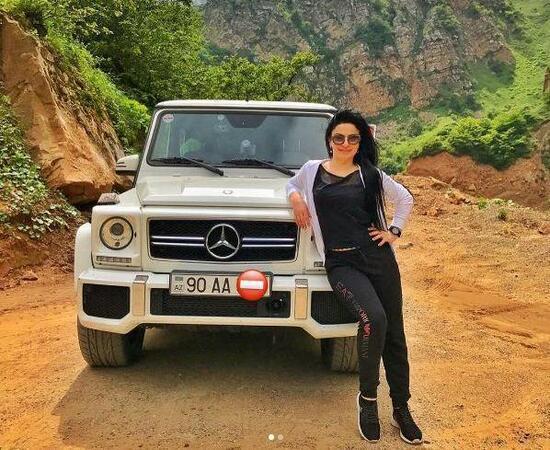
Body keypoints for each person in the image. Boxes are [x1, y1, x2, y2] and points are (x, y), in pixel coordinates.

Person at [286, 109, 422, 445]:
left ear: (360, 142)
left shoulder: (369, 174)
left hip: (378, 259)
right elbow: (291, 183)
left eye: (353, 138)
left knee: (395, 333)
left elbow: (405, 198)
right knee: (374, 318)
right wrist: (296, 199)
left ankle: (401, 407)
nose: (345, 143)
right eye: (339, 137)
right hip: (341, 263)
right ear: (329, 140)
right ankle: (368, 399)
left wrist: (394, 231)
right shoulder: (312, 170)